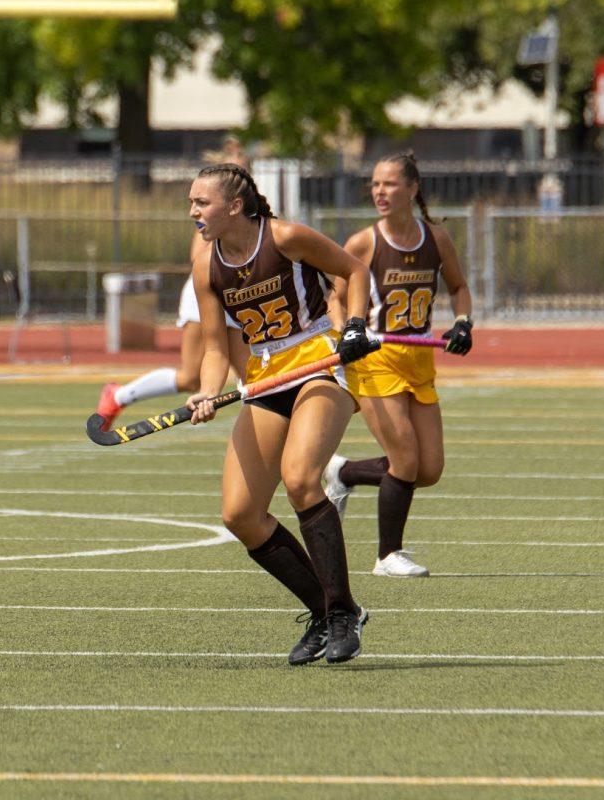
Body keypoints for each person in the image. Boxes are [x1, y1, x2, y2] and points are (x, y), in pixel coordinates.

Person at [185, 162, 377, 665]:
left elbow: (354, 271)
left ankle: (340, 618)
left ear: (233, 206)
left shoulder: (286, 237)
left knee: (300, 478)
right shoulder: (206, 265)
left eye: (200, 203)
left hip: (318, 363)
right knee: (240, 514)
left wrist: (355, 324)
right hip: (265, 377)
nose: (193, 212)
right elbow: (212, 348)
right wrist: (206, 393)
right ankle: (330, 611)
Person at [323, 152, 474, 578]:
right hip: (375, 360)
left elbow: (459, 287)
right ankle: (388, 556)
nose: (379, 192)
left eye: (389, 184)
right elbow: (333, 296)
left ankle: (345, 472)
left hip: (419, 359)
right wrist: (346, 332)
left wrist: (463, 322)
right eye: (375, 184)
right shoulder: (364, 243)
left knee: (428, 470)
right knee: (404, 458)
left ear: (412, 188)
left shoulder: (435, 238)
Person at [95, 234, 249, 430]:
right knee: (191, 378)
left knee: (252, 379)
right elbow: (199, 257)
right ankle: (118, 396)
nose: (195, 211)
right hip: (208, 292)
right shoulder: (218, 211)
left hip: (240, 293)